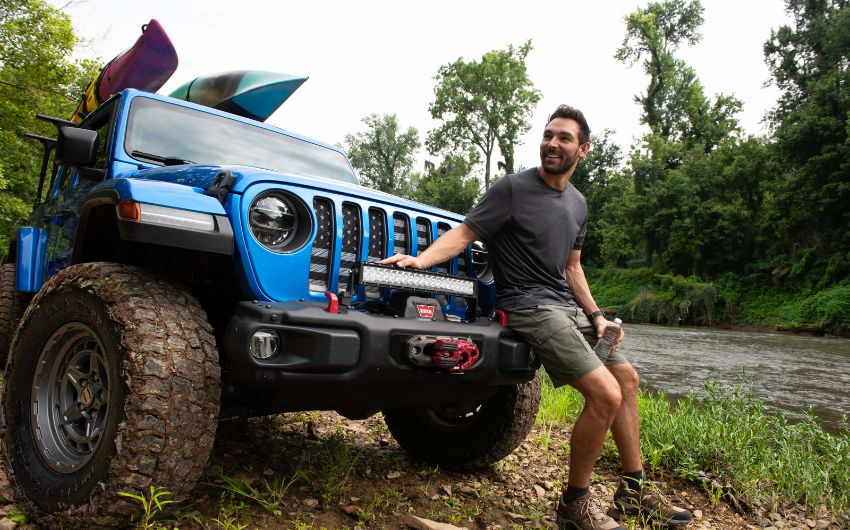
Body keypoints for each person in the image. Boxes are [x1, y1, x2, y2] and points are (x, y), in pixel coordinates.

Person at [382, 105, 692, 529]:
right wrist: (421, 261)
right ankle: (575, 505)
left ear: (583, 149)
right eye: (548, 135)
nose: (552, 143)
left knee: (627, 380)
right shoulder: (512, 189)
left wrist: (597, 316)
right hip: (528, 307)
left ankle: (634, 493)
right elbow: (465, 232)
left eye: (564, 138)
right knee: (605, 394)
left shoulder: (578, 203)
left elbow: (572, 268)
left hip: (567, 306)